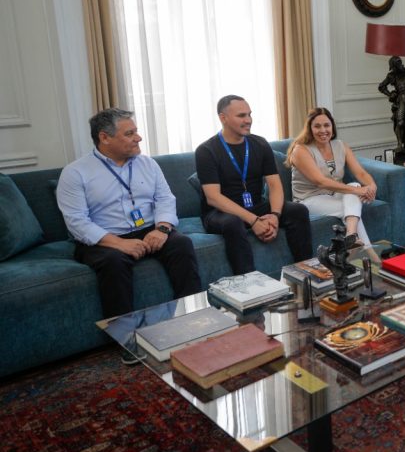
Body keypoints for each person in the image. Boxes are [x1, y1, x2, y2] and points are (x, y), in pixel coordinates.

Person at [56, 108, 202, 321]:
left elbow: (165, 199)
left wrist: (162, 229)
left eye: (136, 131)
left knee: (181, 244)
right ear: (104, 138)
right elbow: (76, 221)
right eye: (129, 133)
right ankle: (123, 334)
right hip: (104, 239)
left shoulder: (148, 163)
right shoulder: (75, 172)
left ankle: (196, 320)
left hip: (149, 230)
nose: (138, 138)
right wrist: (119, 243)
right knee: (113, 262)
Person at [195, 95, 313, 274]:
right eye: (241, 115)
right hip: (220, 213)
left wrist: (274, 215)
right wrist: (254, 221)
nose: (248, 120)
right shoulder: (206, 151)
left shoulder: (260, 144)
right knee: (233, 223)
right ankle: (249, 281)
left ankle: (305, 273)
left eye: (249, 114)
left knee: (298, 211)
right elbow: (213, 198)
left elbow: (274, 185)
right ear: (223, 118)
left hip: (256, 206)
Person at [286, 107, 377, 248]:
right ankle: (369, 253)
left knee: (355, 185)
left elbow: (360, 173)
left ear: (332, 127)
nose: (323, 130)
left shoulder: (340, 146)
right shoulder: (300, 150)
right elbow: (320, 182)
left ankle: (351, 236)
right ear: (310, 129)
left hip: (334, 194)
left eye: (326, 125)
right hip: (309, 199)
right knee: (350, 208)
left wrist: (372, 186)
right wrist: (359, 191)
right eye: (317, 126)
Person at [378, 55, 405, 163]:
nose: (401, 63)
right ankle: (399, 144)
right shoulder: (392, 75)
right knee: (400, 122)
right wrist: (390, 94)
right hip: (401, 100)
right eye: (398, 62)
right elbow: (381, 86)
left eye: (400, 61)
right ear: (393, 66)